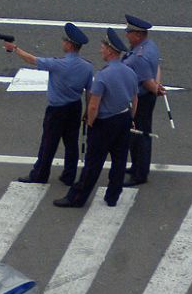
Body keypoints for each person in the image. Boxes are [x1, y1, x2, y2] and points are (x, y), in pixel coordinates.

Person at [54, 28, 138, 209]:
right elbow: (134, 98)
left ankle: (77, 198)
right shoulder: (130, 72)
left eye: (102, 47)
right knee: (119, 160)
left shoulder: (103, 76)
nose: (101, 50)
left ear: (110, 50)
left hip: (104, 123)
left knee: (92, 164)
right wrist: (131, 117)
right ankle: (113, 196)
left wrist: (91, 122)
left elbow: (93, 105)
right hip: (123, 118)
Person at [4, 23, 94, 185]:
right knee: (71, 143)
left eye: (64, 41)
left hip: (56, 110)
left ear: (69, 45)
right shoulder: (87, 67)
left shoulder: (57, 64)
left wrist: (15, 48)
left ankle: (40, 174)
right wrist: (87, 111)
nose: (62, 43)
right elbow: (89, 91)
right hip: (75, 107)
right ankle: (69, 175)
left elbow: (32, 60)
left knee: (48, 143)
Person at [122, 14, 166, 186]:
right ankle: (137, 166)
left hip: (141, 98)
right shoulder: (150, 46)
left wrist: (155, 88)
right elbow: (156, 68)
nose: (127, 35)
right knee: (139, 133)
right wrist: (158, 85)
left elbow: (146, 81)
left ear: (138, 35)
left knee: (139, 134)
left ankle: (140, 173)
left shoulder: (139, 56)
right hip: (146, 96)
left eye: (129, 32)